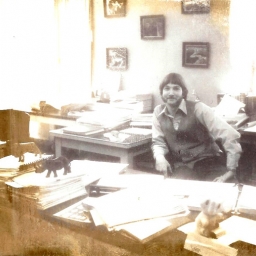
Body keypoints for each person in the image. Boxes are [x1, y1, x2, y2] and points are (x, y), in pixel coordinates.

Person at [152, 73, 242, 182]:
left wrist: (231, 170)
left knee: (221, 192)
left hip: (209, 163)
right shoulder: (158, 112)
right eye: (167, 89)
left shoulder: (198, 108)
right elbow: (158, 141)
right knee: (180, 194)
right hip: (182, 167)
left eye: (176, 88)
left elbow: (229, 135)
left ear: (183, 92)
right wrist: (159, 157)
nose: (171, 93)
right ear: (161, 92)